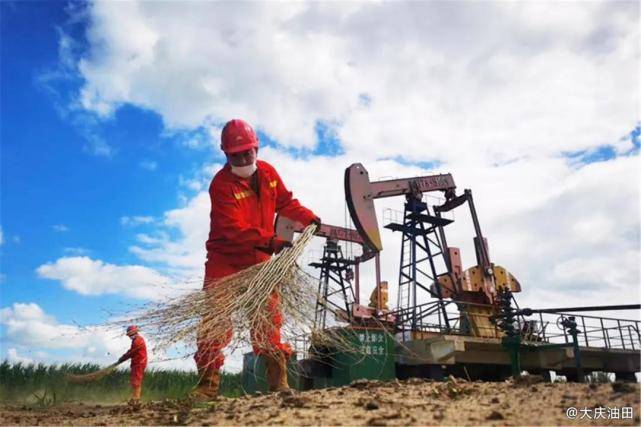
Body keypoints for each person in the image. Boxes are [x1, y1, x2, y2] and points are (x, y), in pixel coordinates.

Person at [192, 119, 320, 399]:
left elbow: (286, 202)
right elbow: (232, 229)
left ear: (256, 148)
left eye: (247, 152)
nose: (242, 158)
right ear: (225, 154)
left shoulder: (269, 174)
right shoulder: (221, 185)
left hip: (259, 258)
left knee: (268, 318)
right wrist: (271, 241)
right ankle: (207, 387)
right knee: (216, 320)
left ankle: (279, 384)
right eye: (235, 154)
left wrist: (308, 217)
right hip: (225, 258)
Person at [117, 325, 148, 403]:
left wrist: (123, 358)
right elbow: (131, 351)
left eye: (130, 334)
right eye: (129, 335)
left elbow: (131, 352)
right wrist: (123, 357)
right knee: (134, 380)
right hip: (136, 362)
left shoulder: (138, 340)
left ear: (134, 332)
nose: (129, 336)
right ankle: (135, 398)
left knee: (136, 380)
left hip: (139, 363)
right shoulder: (136, 340)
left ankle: (136, 399)